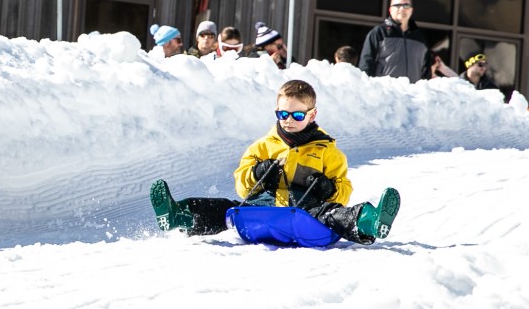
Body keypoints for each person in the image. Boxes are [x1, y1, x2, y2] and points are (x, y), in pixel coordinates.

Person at [149, 79, 401, 245]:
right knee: (226, 210)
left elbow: (343, 189)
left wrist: (329, 189)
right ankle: (179, 215)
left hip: (307, 213)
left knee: (334, 215)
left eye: (297, 114)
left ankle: (370, 220)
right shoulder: (262, 146)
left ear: (312, 114)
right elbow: (241, 186)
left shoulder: (328, 152)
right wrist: (257, 173)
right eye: (283, 114)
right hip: (264, 208)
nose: (289, 120)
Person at [358, 0, 432, 82]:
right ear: (390, 10)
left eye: (406, 5)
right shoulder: (379, 33)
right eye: (397, 5)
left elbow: (426, 70)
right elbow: (366, 64)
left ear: (411, 10)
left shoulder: (420, 38)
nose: (401, 8)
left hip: (413, 93)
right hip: (387, 92)